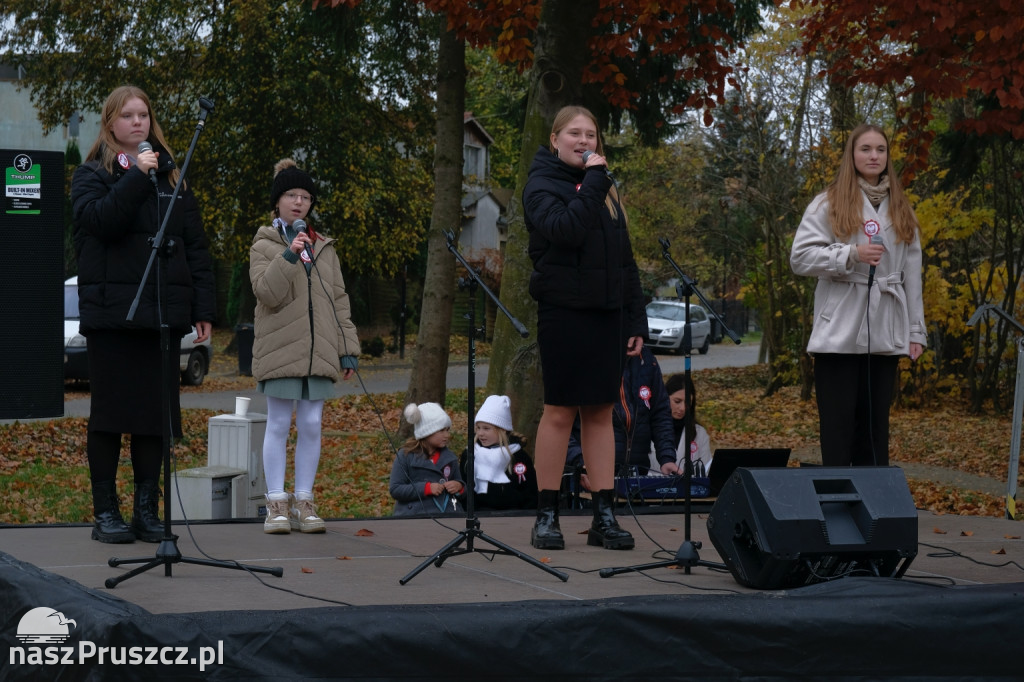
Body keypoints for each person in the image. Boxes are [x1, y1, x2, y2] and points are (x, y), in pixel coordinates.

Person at [71, 85, 216, 544]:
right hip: (115, 316)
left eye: (144, 116)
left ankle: (146, 510)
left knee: (154, 419)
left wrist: (202, 308)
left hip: (161, 318)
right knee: (111, 417)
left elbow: (195, 247)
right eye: (128, 116)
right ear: (110, 123)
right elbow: (102, 223)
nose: (138, 123)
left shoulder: (173, 179)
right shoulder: (92, 173)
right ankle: (105, 512)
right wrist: (136, 177)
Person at [522, 105, 647, 551]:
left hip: (608, 315)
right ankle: (547, 515)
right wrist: (595, 180)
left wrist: (636, 319)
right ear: (555, 139)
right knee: (560, 411)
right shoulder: (541, 184)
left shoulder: (606, 190)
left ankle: (604, 515)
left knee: (601, 413)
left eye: (591, 134)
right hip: (564, 313)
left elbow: (624, 258)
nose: (584, 141)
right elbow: (566, 230)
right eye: (574, 133)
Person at [790, 123, 926, 467]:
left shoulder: (901, 207)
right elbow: (800, 258)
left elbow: (912, 275)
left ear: (887, 157)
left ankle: (873, 513)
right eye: (865, 149)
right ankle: (835, 509)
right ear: (852, 155)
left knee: (875, 430)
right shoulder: (828, 203)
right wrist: (849, 253)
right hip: (839, 330)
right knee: (837, 431)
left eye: (880, 149)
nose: (873, 156)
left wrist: (915, 331)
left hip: (885, 332)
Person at [250, 158, 361, 534]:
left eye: (305, 196)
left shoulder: (325, 247)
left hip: (319, 351)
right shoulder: (264, 244)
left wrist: (348, 348)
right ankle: (276, 503)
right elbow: (267, 292)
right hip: (280, 350)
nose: (299, 202)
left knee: (312, 423)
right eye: (291, 195)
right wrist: (289, 254)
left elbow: (338, 300)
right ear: (277, 202)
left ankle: (304, 500)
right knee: (279, 423)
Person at [565, 346, 676, 488]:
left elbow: (660, 414)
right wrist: (580, 462)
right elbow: (563, 424)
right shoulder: (583, 358)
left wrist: (667, 458)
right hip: (588, 478)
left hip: (637, 477)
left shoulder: (647, 359)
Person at [459, 395, 538, 511]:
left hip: (513, 517)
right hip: (477, 516)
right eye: (478, 428)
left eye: (486, 428)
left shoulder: (519, 456)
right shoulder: (470, 454)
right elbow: (464, 487)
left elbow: (530, 494)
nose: (480, 433)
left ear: (503, 429)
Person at [389, 403, 466, 516]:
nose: (447, 435)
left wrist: (459, 487)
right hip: (414, 517)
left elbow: (462, 488)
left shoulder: (450, 457)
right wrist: (426, 488)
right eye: (441, 431)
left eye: (447, 430)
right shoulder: (406, 456)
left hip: (448, 516)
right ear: (427, 431)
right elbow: (396, 489)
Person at [653, 373, 712, 477]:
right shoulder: (648, 428)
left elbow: (706, 472)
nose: (682, 408)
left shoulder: (700, 433)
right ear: (665, 397)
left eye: (687, 403)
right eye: (677, 401)